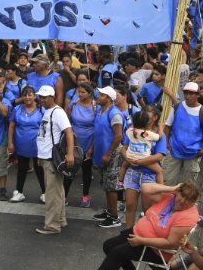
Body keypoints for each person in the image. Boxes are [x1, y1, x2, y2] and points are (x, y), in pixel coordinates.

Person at [66, 182, 201, 270]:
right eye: (181, 196)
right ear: (176, 193)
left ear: (193, 202)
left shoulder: (187, 217)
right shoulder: (170, 198)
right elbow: (145, 188)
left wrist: (142, 240)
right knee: (108, 245)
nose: (183, 201)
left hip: (156, 250)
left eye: (188, 200)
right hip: (138, 234)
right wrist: (172, 188)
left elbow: (170, 243)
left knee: (117, 253)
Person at [34, 85, 75, 235]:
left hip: (52, 158)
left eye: (45, 97)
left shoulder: (57, 112)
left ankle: (52, 225)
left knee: (52, 194)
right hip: (47, 156)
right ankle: (60, 220)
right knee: (57, 191)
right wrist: (40, 156)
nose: (42, 100)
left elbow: (69, 132)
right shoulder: (48, 111)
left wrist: (70, 154)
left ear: (52, 97)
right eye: (41, 97)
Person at [163, 81, 203, 185]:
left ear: (198, 95)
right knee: (168, 180)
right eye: (186, 93)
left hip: (193, 153)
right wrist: (167, 143)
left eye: (191, 94)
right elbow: (167, 126)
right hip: (174, 150)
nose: (187, 96)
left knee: (188, 184)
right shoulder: (176, 107)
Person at [92, 86, 125, 228]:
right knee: (106, 185)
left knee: (111, 186)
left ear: (108, 98)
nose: (98, 97)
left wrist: (107, 154)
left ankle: (114, 217)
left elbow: (118, 137)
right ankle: (110, 211)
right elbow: (98, 132)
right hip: (102, 153)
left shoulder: (115, 114)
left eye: (101, 95)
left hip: (112, 154)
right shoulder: (100, 111)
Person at [7, 85, 45, 203]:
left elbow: (45, 129)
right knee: (21, 168)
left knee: (39, 170)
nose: (27, 97)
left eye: (30, 95)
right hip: (21, 144)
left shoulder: (41, 110)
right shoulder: (17, 109)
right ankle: (19, 192)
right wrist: (10, 142)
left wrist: (44, 145)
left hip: (37, 145)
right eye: (25, 95)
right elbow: (11, 127)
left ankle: (45, 193)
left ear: (35, 96)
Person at [67, 82, 96, 207]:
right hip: (74, 141)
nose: (80, 94)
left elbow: (98, 127)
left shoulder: (95, 107)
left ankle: (85, 196)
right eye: (79, 92)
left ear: (90, 94)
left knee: (86, 170)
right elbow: (68, 122)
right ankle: (63, 196)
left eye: (83, 92)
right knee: (69, 170)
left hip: (89, 140)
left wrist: (92, 148)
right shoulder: (74, 104)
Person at [117, 110, 164, 187]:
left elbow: (128, 131)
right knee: (159, 171)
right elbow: (159, 137)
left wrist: (133, 126)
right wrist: (161, 127)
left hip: (130, 157)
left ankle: (120, 183)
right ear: (146, 123)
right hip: (144, 158)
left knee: (124, 166)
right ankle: (161, 189)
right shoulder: (147, 134)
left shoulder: (130, 131)